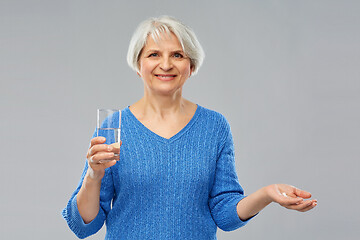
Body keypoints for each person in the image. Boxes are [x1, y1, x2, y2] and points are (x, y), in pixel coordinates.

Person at [62, 16, 317, 239]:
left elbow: (225, 214)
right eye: (153, 54)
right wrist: (94, 176)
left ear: (191, 66)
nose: (166, 64)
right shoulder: (113, 128)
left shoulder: (214, 127)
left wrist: (267, 194)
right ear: (138, 65)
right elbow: (84, 225)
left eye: (177, 55)